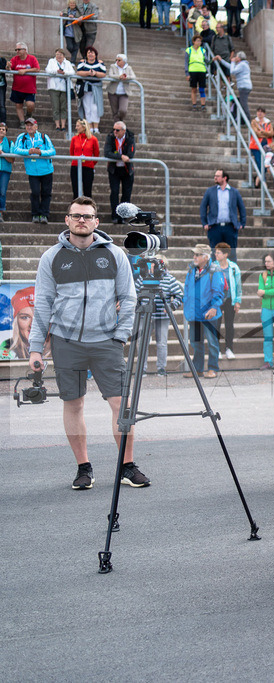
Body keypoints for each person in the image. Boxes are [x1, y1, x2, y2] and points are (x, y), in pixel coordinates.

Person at [30, 196, 149, 490]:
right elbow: (43, 304)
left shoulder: (114, 255)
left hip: (106, 341)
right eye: (76, 216)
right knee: (74, 404)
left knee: (122, 404)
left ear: (96, 222)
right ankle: (83, 467)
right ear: (67, 220)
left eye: (87, 216)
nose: (81, 220)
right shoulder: (51, 257)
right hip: (66, 342)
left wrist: (120, 335)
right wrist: (35, 347)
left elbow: (129, 297)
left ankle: (127, 465)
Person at [183, 243, 224, 379]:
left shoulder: (215, 269)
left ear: (205, 257)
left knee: (212, 342)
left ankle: (213, 368)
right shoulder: (191, 270)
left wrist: (213, 307)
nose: (194, 257)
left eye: (197, 255)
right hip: (194, 312)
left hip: (209, 313)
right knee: (195, 342)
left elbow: (218, 292)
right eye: (194, 254)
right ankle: (198, 369)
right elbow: (187, 288)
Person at [13, 118, 56, 224]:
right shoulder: (22, 137)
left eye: (31, 125)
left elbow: (52, 150)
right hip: (32, 171)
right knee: (35, 192)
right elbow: (16, 149)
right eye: (27, 125)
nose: (29, 127)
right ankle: (35, 214)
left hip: (46, 170)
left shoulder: (43, 137)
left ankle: (44, 214)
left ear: (36, 127)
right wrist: (29, 151)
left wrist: (40, 152)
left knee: (46, 193)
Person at [200, 169, 246, 261]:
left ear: (224, 178)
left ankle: (232, 273)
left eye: (217, 176)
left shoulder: (234, 192)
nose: (215, 178)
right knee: (214, 253)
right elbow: (203, 207)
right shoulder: (210, 191)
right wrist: (204, 223)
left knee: (231, 253)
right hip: (214, 226)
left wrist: (242, 223)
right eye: (215, 176)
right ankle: (215, 274)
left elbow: (241, 207)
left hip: (230, 226)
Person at [213, 243, 241, 359]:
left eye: (218, 252)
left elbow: (238, 285)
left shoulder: (233, 267)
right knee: (216, 325)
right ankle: (217, 349)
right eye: (215, 252)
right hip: (217, 300)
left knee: (229, 325)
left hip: (230, 299)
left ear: (225, 254)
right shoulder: (212, 266)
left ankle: (229, 348)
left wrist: (238, 301)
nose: (216, 254)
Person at [104, 122, 134, 223]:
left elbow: (131, 153)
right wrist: (120, 157)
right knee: (114, 192)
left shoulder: (130, 137)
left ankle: (123, 216)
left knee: (126, 193)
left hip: (127, 170)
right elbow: (107, 152)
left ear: (123, 131)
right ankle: (115, 215)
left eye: (117, 130)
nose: (115, 132)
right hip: (114, 169)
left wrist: (124, 156)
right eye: (114, 129)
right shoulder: (111, 137)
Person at [75, 46, 105, 133]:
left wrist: (95, 73)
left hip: (96, 89)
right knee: (87, 108)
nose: (90, 54)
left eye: (92, 52)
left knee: (95, 108)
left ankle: (96, 127)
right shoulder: (82, 63)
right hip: (86, 89)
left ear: (95, 55)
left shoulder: (100, 63)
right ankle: (90, 127)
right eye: (89, 53)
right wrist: (88, 73)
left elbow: (103, 74)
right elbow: (79, 72)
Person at [10, 43, 40, 127]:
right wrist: (8, 67)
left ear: (25, 50)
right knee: (18, 105)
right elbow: (10, 67)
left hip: (29, 88)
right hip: (17, 87)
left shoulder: (32, 58)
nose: (17, 51)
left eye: (19, 49)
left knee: (30, 104)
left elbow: (37, 69)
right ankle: (22, 122)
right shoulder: (15, 59)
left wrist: (25, 71)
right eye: (16, 50)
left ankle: (29, 113)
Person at [45, 49, 75, 132]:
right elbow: (48, 70)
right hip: (54, 87)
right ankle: (57, 125)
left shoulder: (67, 63)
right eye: (57, 54)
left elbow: (72, 72)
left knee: (63, 107)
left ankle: (63, 125)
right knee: (56, 107)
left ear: (64, 56)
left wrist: (64, 72)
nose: (59, 56)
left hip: (64, 88)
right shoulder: (51, 61)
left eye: (60, 54)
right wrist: (56, 72)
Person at [69, 119, 99, 199]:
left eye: (78, 126)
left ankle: (87, 210)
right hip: (75, 166)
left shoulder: (93, 139)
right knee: (75, 191)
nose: (76, 128)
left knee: (87, 192)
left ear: (84, 127)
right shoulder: (74, 138)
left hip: (88, 167)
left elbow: (96, 154)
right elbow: (71, 152)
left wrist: (91, 163)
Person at [105, 54, 136, 124]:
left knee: (123, 110)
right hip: (113, 92)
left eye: (119, 60)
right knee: (115, 111)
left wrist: (125, 77)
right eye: (116, 60)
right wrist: (119, 77)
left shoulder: (128, 68)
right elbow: (110, 75)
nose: (117, 61)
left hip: (124, 93)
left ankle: (120, 123)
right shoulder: (113, 66)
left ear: (124, 61)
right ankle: (118, 127)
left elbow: (133, 76)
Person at [187, 35, 212, 111]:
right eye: (198, 41)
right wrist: (187, 73)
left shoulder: (202, 50)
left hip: (202, 70)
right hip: (192, 70)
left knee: (202, 89)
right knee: (194, 89)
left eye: (200, 41)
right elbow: (186, 62)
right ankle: (194, 105)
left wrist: (212, 60)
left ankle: (203, 105)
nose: (199, 42)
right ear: (194, 42)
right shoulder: (189, 50)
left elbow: (207, 61)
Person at [229, 51, 252, 122]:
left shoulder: (242, 65)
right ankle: (240, 119)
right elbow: (231, 67)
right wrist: (221, 61)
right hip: (244, 86)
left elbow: (232, 71)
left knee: (243, 104)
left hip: (244, 86)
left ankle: (248, 120)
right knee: (239, 102)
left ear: (239, 58)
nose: (235, 58)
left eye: (236, 56)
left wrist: (232, 62)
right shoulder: (242, 64)